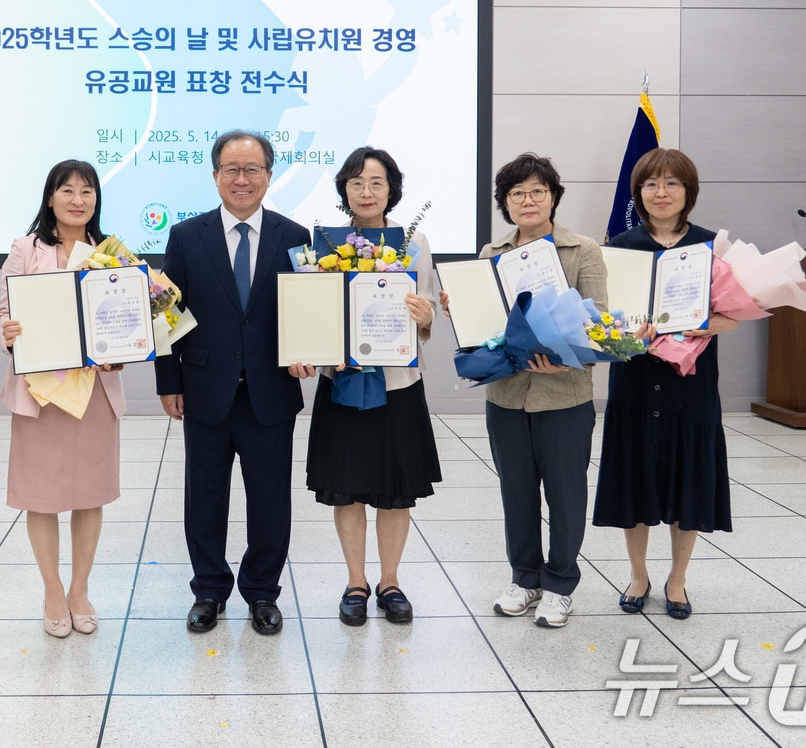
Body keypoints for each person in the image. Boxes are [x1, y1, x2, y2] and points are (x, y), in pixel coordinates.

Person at [440, 153, 606, 629]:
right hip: (507, 396)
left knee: (566, 494)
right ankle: (525, 578)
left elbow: (599, 325)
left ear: (553, 197)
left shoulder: (583, 251)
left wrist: (566, 358)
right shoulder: (491, 254)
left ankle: (560, 584)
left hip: (564, 395)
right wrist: (460, 310)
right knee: (516, 492)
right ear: (505, 202)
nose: (527, 200)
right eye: (517, 193)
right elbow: (486, 327)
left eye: (537, 191)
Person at [155, 130, 311, 635]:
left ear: (269, 174)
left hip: (271, 390)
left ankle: (263, 592)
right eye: (231, 169)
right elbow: (166, 315)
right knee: (204, 498)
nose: (242, 179)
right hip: (205, 388)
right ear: (215, 174)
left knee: (270, 501)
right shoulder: (186, 236)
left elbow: (308, 313)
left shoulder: (295, 236)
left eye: (252, 169)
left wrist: (310, 351)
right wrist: (168, 381)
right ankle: (209, 590)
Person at [298, 147, 440, 625]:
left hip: (398, 383)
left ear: (391, 190)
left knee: (396, 489)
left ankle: (390, 582)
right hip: (343, 382)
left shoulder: (414, 243)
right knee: (347, 488)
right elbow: (315, 313)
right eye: (356, 182)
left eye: (376, 182)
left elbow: (426, 313)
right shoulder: (325, 247)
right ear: (344, 189)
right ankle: (356, 581)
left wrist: (425, 316)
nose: (366, 191)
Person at [593, 148, 735, 620]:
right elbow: (603, 321)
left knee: (685, 479)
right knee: (635, 479)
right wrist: (620, 332)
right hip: (635, 378)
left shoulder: (711, 246)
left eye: (672, 183)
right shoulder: (619, 247)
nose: (661, 192)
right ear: (639, 192)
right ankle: (638, 575)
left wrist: (704, 325)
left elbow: (734, 315)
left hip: (689, 382)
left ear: (688, 191)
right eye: (651, 184)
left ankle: (677, 579)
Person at [0, 160, 126, 638]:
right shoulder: (25, 248)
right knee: (43, 495)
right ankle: (52, 589)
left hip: (94, 391)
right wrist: (10, 331)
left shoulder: (112, 253)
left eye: (87, 191)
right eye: (67, 190)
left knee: (89, 493)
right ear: (50, 198)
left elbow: (127, 318)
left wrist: (121, 351)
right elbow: (6, 312)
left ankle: (79, 589)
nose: (78, 199)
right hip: (41, 391)